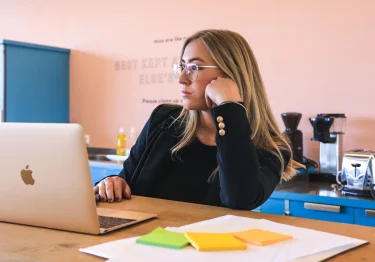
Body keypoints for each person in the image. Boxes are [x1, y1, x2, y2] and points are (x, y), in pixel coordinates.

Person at [93, 29, 304, 210]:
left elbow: (240, 200)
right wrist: (112, 183)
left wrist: (229, 108)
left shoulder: (270, 148)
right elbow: (125, 180)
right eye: (182, 66)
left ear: (230, 75)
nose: (182, 78)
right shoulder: (163, 120)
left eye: (194, 68)